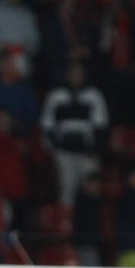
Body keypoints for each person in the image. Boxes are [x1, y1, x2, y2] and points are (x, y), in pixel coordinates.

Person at [41, 62, 109, 206]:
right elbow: (47, 125)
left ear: (85, 75)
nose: (75, 76)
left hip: (87, 152)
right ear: (66, 74)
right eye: (72, 72)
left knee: (90, 190)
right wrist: (53, 149)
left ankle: (90, 224)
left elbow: (101, 125)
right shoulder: (56, 95)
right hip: (63, 152)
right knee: (67, 190)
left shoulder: (94, 95)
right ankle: (67, 225)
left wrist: (96, 149)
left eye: (79, 73)